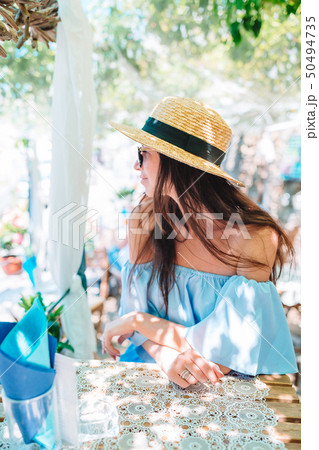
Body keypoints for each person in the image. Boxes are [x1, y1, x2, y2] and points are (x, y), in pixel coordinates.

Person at [102, 96, 298, 388]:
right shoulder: (143, 219)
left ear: (175, 162)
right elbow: (140, 334)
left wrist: (139, 321)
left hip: (221, 392)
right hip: (151, 376)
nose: (135, 164)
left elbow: (224, 355)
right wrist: (165, 356)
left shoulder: (254, 238)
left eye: (144, 153)